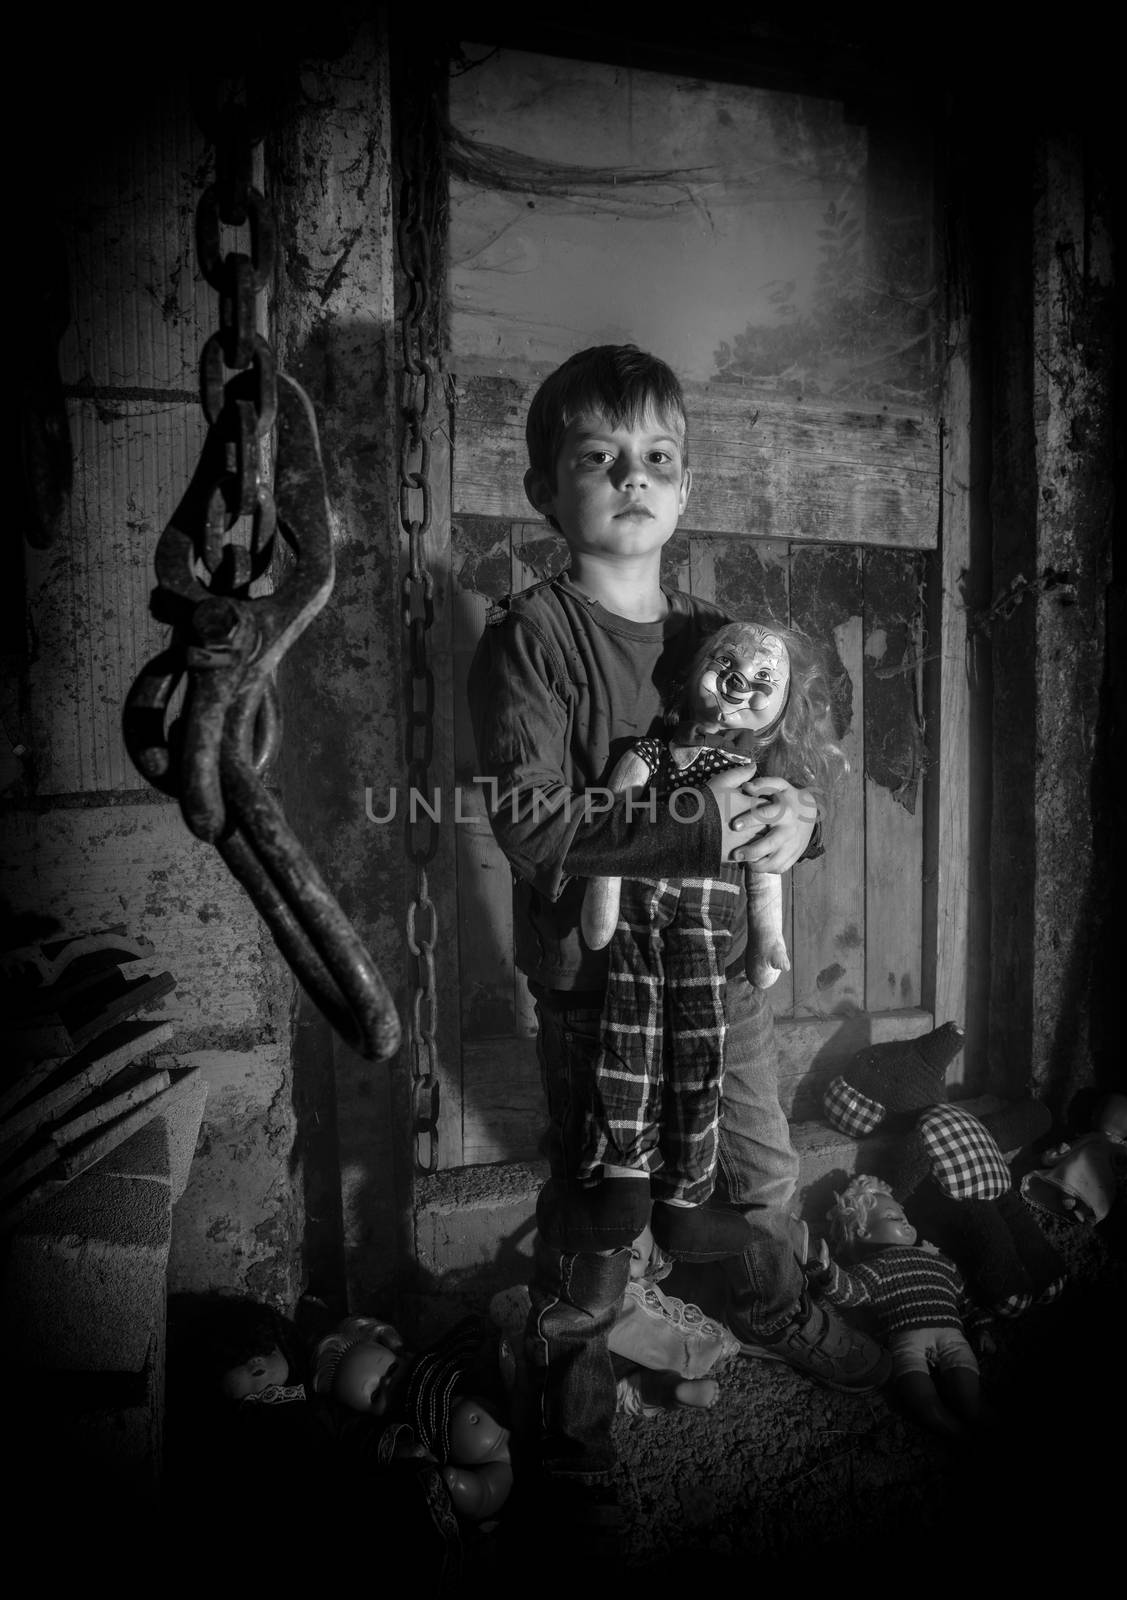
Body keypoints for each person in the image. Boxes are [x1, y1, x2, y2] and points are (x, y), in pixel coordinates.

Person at [467, 343, 891, 1547]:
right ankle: (569, 1386)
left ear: (689, 487)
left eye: (657, 458)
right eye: (598, 459)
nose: (631, 478)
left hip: (718, 978)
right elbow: (536, 821)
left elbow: (787, 772)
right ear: (549, 489)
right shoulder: (532, 639)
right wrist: (696, 816)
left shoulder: (718, 633)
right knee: (607, 1198)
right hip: (597, 985)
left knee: (736, 1184)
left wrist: (801, 819)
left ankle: (781, 1302)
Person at [578, 618, 847, 1259]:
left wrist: (767, 938)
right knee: (629, 1046)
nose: (738, 685)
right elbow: (611, 829)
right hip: (638, 938)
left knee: (718, 1089)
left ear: (784, 709)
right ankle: (626, 1179)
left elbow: (766, 863)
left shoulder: (756, 773)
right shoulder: (643, 757)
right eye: (726, 667)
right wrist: (602, 899)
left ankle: (693, 1208)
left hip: (714, 955)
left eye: (764, 682)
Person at [817, 1176, 995, 1439]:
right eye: (893, 1218)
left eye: (904, 1217)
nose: (905, 1222)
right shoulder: (875, 1267)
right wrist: (828, 1272)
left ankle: (974, 1413)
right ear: (863, 1232)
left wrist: (982, 1328)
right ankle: (944, 1424)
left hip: (952, 1333)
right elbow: (851, 1292)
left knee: (966, 1379)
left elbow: (964, 1300)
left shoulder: (942, 1262)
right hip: (905, 1336)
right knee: (917, 1388)